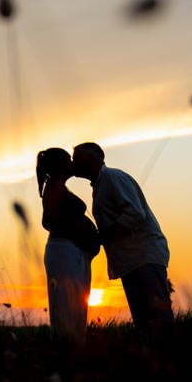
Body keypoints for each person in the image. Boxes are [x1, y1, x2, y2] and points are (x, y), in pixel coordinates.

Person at [71, 141, 175, 344]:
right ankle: (153, 362)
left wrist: (104, 236)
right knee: (144, 322)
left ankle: (168, 360)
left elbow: (135, 213)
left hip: (143, 256)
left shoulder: (112, 177)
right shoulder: (101, 184)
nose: (74, 163)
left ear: (93, 158)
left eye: (77, 158)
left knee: (158, 318)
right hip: (132, 260)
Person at [36, 147, 101, 347]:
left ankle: (72, 349)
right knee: (67, 305)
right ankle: (67, 350)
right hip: (64, 252)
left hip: (70, 251)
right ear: (61, 165)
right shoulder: (55, 186)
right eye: (69, 160)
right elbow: (49, 220)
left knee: (73, 305)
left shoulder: (59, 186)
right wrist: (82, 232)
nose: (73, 163)